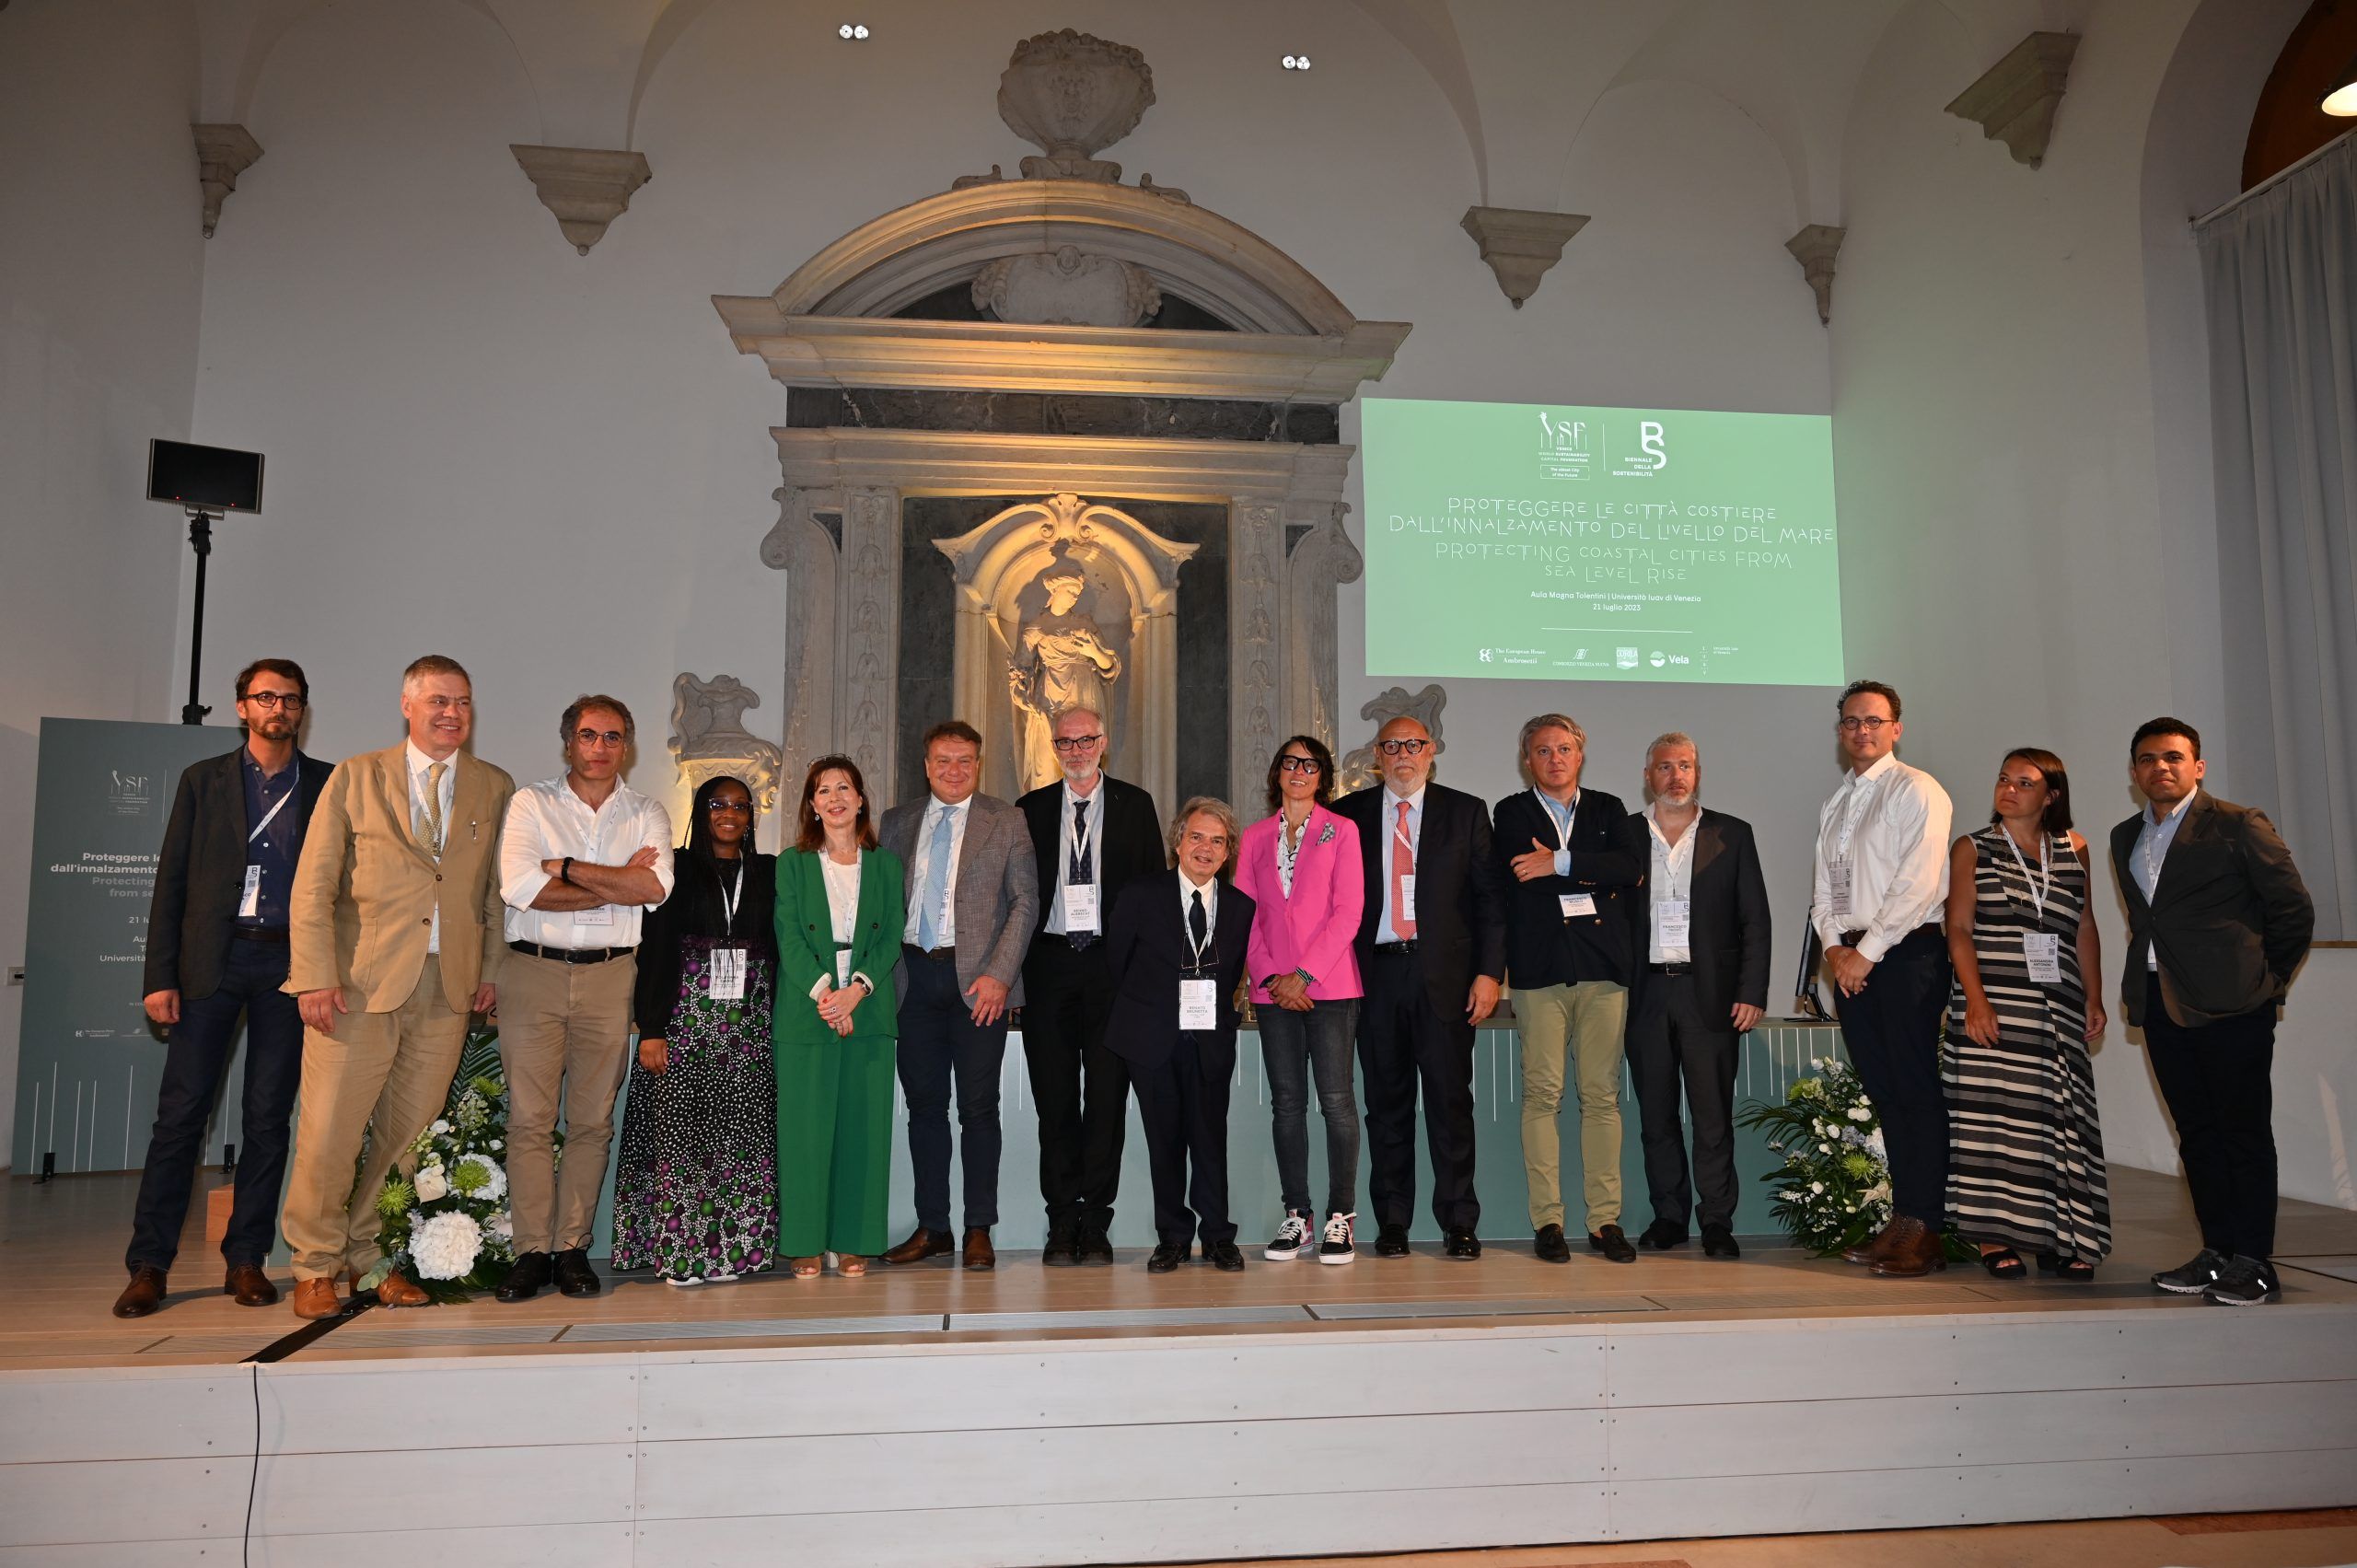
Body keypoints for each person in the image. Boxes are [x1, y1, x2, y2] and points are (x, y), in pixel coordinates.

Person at [280, 655, 514, 1318]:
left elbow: (494, 894)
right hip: (356, 986)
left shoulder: (494, 785)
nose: (452, 713)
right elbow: (313, 885)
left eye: (462, 701)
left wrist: (491, 971)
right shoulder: (356, 776)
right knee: (329, 1135)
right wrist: (314, 975)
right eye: (438, 700)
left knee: (406, 1141)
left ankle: (371, 1258)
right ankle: (315, 1265)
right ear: (407, 706)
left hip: (447, 990)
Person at [114, 659, 333, 1318]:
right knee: (181, 1117)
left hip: (289, 969)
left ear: (302, 710)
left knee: (268, 1118)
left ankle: (247, 1258)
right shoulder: (202, 779)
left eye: (290, 699)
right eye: (266, 697)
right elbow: (171, 881)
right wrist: (160, 976)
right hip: (211, 962)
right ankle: (149, 1264)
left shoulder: (327, 784)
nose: (278, 708)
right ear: (242, 707)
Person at [2112, 718, 2313, 1307]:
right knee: (2196, 1135)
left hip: (2234, 1007)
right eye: (2148, 759)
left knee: (2242, 1133)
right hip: (2159, 1003)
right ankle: (2218, 1252)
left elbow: (2293, 910)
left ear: (2197, 766)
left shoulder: (2237, 824)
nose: (2160, 767)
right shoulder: (2126, 836)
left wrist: (2265, 982)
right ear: (2134, 772)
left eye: (2173, 757)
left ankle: (2254, 1261)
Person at [493, 695, 674, 1303]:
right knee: (530, 1120)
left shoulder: (647, 811)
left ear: (628, 746)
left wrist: (566, 867)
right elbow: (520, 888)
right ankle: (530, 1251)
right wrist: (616, 881)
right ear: (569, 741)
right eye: (590, 735)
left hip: (610, 977)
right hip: (533, 972)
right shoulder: (531, 802)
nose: (601, 747)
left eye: (613, 736)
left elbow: (654, 887)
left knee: (593, 1121)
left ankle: (571, 1247)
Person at [1332, 715, 1506, 1260]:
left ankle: (1459, 1221)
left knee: (1451, 1105)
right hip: (1375, 977)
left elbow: (1490, 900)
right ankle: (1392, 1222)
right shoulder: (1349, 814)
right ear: (1377, 755)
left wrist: (1489, 973)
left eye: (1413, 745)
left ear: (1431, 752)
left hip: (1447, 981)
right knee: (1386, 1107)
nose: (1402, 754)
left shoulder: (1466, 811)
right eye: (1392, 746)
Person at [877, 720, 1039, 1271]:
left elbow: (1025, 902)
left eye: (965, 760)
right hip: (910, 980)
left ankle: (978, 1228)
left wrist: (1000, 974)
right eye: (943, 760)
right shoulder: (896, 821)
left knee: (978, 1109)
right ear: (926, 766)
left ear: (978, 764)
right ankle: (933, 1227)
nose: (954, 770)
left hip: (980, 986)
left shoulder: (1007, 819)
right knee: (924, 1109)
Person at [1944, 749, 2109, 1282]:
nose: (2008, 789)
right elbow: (1958, 929)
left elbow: (2085, 925)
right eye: (2003, 779)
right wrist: (1975, 1000)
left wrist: (2094, 996)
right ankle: (1994, 1236)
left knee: (2058, 1121)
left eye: (2024, 782)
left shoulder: (2075, 848)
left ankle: (2061, 1234)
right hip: (1993, 1004)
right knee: (1995, 1121)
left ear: (2051, 795)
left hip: (2057, 1006)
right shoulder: (1973, 847)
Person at [1808, 679, 1955, 1279]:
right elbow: (1824, 890)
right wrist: (1834, 949)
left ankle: (1926, 1227)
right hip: (1853, 960)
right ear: (1840, 731)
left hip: (1906, 955)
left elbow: (1917, 883)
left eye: (1873, 720)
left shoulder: (1917, 788)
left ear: (1896, 728)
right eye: (1851, 721)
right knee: (1886, 1093)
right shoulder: (1837, 801)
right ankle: (1902, 1218)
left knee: (1915, 1089)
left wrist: (1864, 953)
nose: (1861, 730)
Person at [612, 775, 779, 1287]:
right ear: (700, 811)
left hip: (749, 1030)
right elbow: (656, 949)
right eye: (717, 804)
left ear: (751, 816)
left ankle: (735, 1252)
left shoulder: (770, 871)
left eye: (740, 806)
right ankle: (682, 1253)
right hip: (685, 1026)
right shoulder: (676, 867)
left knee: (742, 1139)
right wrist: (652, 1028)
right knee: (683, 1139)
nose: (729, 814)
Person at [1493, 714, 1645, 1263]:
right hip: (1539, 971)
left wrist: (1556, 861)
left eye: (1563, 749)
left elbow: (1629, 868)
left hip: (1604, 970)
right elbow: (1520, 872)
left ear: (1580, 755)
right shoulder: (1511, 811)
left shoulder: (1608, 808)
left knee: (1601, 1096)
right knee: (1543, 1096)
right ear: (1526, 760)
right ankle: (1548, 1221)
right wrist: (1590, 871)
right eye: (1542, 750)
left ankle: (1605, 1221)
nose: (1554, 759)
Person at [1016, 707, 1164, 1265]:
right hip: (1049, 967)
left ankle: (1097, 1221)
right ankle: (1061, 1221)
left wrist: (1145, 980)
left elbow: (1153, 895)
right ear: (1054, 748)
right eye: (1065, 742)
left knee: (1106, 1101)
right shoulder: (1029, 810)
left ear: (1103, 743)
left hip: (1112, 970)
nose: (1075, 751)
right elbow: (1017, 897)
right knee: (1054, 1100)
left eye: (1085, 740)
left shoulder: (1135, 805)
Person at [1623, 732, 1772, 1260]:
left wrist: (1752, 990)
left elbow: (1755, 919)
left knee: (1712, 1116)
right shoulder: (1624, 835)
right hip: (1644, 994)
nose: (1676, 776)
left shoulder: (1732, 834)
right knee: (1656, 1116)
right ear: (1648, 776)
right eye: (1665, 767)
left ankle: (1716, 1221)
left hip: (1709, 994)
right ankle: (1669, 1216)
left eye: (1685, 765)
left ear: (1698, 773)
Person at [1104, 798, 1256, 1272]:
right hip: (1151, 1040)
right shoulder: (1140, 894)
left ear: (1228, 852)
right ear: (1178, 841)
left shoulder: (1241, 908)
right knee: (1163, 1141)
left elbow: (1233, 974)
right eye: (1197, 837)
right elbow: (1116, 963)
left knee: (1210, 1141)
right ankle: (1172, 1236)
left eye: (1217, 841)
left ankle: (1217, 1236)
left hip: (1210, 1041)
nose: (1205, 848)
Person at [1233, 736, 1365, 1264]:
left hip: (1329, 987)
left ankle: (1340, 1218)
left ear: (1322, 777)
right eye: (1290, 762)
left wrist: (1304, 976)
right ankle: (1298, 1216)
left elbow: (1348, 912)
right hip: (1273, 993)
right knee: (1287, 1104)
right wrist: (1272, 978)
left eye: (1310, 765)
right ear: (1277, 772)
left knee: (1336, 1102)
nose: (1299, 771)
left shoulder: (1343, 830)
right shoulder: (1255, 836)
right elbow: (1245, 916)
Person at [774, 756, 905, 1277]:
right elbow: (788, 935)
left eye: (844, 788)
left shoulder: (886, 865)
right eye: (824, 790)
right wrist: (827, 996)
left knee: (863, 1133)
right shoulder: (792, 863)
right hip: (807, 1011)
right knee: (805, 1134)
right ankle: (805, 1242)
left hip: (868, 1011)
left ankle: (853, 1240)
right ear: (812, 804)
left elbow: (891, 935)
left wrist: (856, 993)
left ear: (861, 799)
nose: (835, 798)